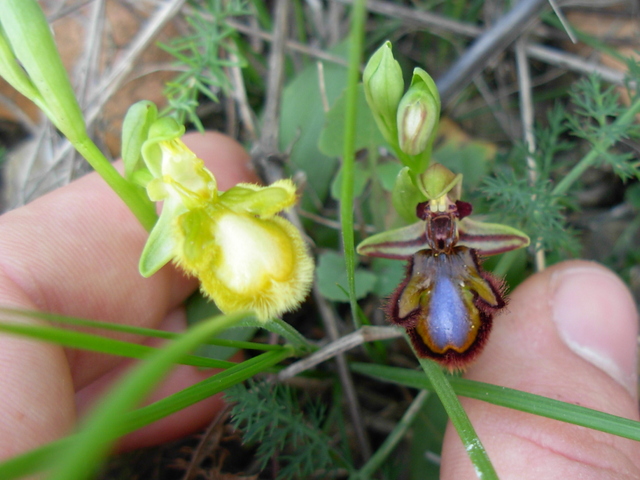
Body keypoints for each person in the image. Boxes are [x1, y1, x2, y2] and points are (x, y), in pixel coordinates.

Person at [0, 132, 638, 478]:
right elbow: (392, 243)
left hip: (443, 271)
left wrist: (443, 244)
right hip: (426, 268)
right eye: (438, 216)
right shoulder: (419, 236)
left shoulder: (441, 235)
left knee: (446, 297)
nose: (443, 222)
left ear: (454, 215)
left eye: (448, 215)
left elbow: (509, 238)